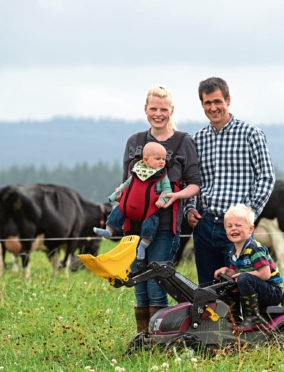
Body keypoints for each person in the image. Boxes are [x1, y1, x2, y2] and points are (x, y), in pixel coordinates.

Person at [118, 85, 201, 333]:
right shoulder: (135, 141)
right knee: (138, 281)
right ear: (145, 110)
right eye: (153, 108)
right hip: (132, 225)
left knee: (157, 281)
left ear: (171, 110)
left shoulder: (184, 141)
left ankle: (160, 337)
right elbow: (126, 181)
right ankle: (143, 336)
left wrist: (175, 195)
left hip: (165, 225)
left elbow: (195, 184)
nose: (158, 113)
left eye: (163, 109)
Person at [185, 77, 275, 284]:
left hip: (236, 225)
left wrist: (248, 215)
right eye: (208, 103)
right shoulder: (197, 139)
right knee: (207, 288)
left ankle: (243, 318)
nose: (213, 107)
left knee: (236, 286)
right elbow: (192, 180)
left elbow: (267, 177)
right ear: (202, 104)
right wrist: (190, 209)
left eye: (218, 101)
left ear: (228, 100)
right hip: (205, 223)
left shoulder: (251, 134)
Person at [93, 142, 172, 260]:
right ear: (145, 160)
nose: (162, 161)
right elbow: (126, 184)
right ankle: (109, 231)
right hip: (129, 206)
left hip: (148, 210)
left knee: (150, 225)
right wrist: (116, 194)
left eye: (164, 159)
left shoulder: (161, 176)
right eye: (158, 158)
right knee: (116, 211)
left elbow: (167, 190)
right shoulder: (137, 170)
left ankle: (142, 246)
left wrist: (162, 200)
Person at [214, 204, 283, 330]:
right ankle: (233, 316)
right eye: (229, 226)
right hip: (255, 287)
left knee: (244, 278)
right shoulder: (233, 251)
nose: (233, 229)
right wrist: (226, 271)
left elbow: (265, 274)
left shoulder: (254, 249)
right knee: (227, 282)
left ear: (250, 229)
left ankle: (253, 318)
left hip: (272, 292)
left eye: (238, 225)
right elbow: (234, 273)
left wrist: (243, 276)